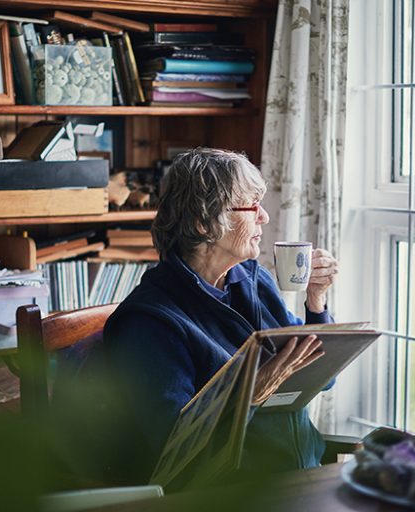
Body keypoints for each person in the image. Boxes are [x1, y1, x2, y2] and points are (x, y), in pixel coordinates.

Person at [77, 147, 339, 485]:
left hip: (304, 475)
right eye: (250, 206)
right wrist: (249, 395)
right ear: (203, 221)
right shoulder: (149, 322)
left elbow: (321, 377)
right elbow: (178, 452)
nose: (264, 217)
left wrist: (316, 303)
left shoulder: (253, 279)